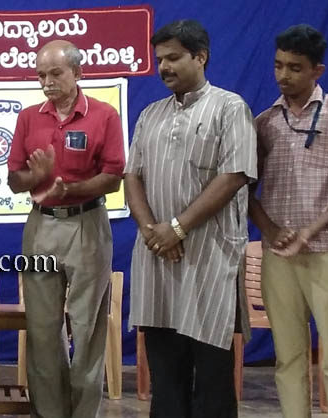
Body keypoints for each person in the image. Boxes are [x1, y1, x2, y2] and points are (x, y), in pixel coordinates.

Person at [123, 19, 256, 418]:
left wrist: (177, 228)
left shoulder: (230, 108)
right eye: (160, 59)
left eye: (174, 58)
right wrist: (152, 232)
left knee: (212, 377)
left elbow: (233, 176)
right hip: (158, 260)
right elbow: (132, 176)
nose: (164, 67)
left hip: (208, 258)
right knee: (166, 376)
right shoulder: (151, 114)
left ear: (201, 57)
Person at [248, 24, 328, 418]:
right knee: (288, 354)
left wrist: (310, 231)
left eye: (295, 68)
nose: (283, 75)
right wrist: (271, 231)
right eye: (278, 65)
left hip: (327, 250)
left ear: (318, 70)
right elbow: (246, 188)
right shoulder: (264, 122)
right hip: (279, 253)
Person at [6, 39, 125, 418]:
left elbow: (113, 177)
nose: (47, 82)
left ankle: (83, 413)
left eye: (55, 73)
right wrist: (35, 177)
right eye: (41, 75)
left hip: (87, 224)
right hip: (40, 225)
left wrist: (69, 190)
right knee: (42, 329)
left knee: (87, 328)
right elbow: (14, 180)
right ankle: (49, 412)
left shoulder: (104, 115)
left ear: (78, 72)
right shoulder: (29, 117)